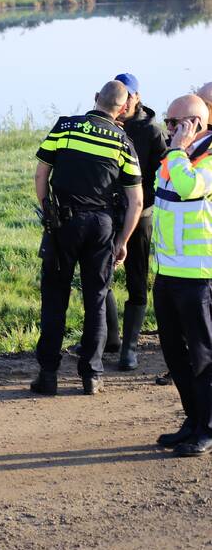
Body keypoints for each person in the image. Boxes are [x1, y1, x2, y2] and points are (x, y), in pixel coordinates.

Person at [32, 81, 143, 396]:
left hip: (63, 225)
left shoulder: (65, 127)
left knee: (55, 299)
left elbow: (41, 174)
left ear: (96, 99)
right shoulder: (123, 142)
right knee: (96, 300)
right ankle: (91, 376)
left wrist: (46, 212)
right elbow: (136, 201)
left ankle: (48, 375)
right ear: (122, 109)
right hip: (102, 227)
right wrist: (122, 240)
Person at [152, 94, 212, 456]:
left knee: (203, 357)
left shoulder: (204, 161)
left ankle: (207, 428)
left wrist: (177, 149)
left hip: (199, 276)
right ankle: (192, 420)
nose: (169, 129)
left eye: (176, 123)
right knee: (174, 354)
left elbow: (189, 188)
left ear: (197, 125)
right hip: (168, 273)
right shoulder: (178, 157)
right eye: (168, 121)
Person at [108, 73, 168, 370]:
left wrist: (146, 199)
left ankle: (129, 349)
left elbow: (164, 171)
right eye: (120, 97)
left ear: (137, 97)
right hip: (107, 214)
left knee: (136, 278)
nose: (124, 103)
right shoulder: (105, 124)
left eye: (129, 97)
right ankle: (109, 338)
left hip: (139, 215)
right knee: (100, 276)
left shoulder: (152, 132)